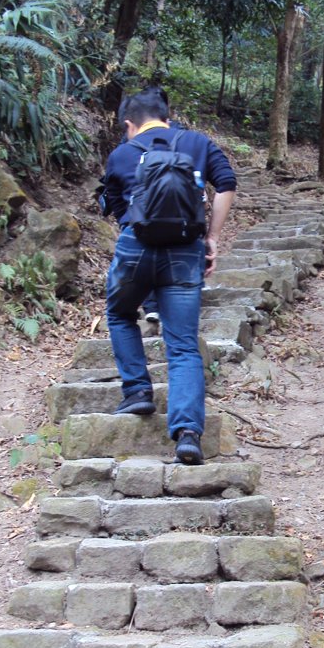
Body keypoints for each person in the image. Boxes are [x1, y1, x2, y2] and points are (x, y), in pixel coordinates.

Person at [100, 87, 236, 465]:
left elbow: (113, 206)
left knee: (119, 313)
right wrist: (212, 237)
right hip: (185, 251)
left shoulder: (121, 153)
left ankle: (138, 391)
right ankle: (188, 433)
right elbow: (226, 183)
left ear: (130, 124)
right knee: (182, 344)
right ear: (166, 115)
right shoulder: (197, 142)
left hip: (135, 248)